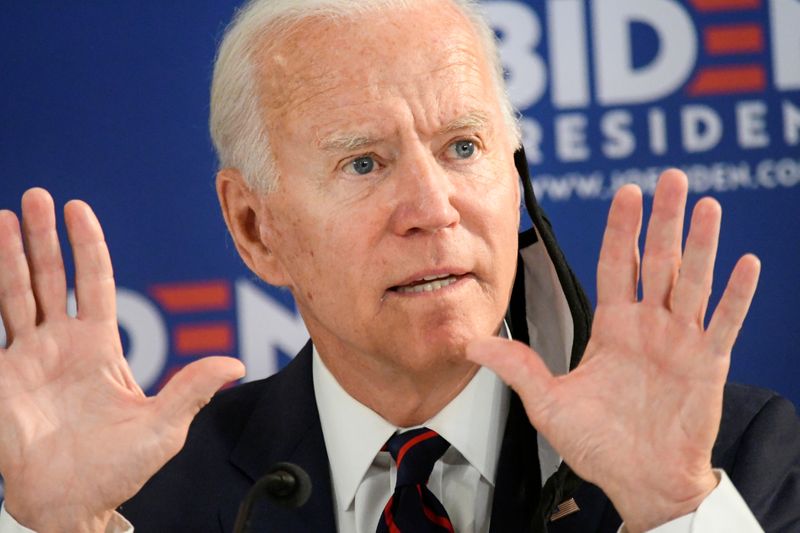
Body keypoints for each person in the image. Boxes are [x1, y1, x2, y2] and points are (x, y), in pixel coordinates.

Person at [0, 0, 798, 531]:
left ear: (514, 179)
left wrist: (671, 510)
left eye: (462, 147)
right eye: (363, 164)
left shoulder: (727, 457)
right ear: (255, 227)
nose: (433, 204)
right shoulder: (141, 500)